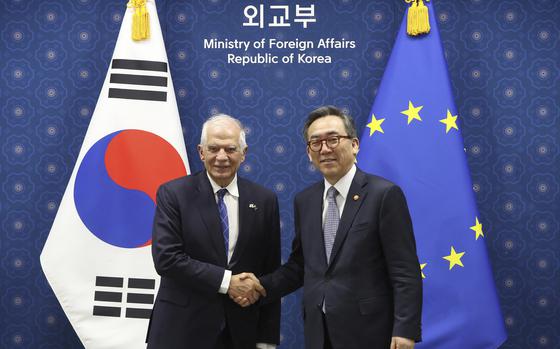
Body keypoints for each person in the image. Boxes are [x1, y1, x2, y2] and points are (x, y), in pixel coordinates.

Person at [238, 106, 422, 349]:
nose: (324, 149)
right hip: (319, 332)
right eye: (316, 143)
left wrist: (405, 331)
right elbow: (300, 265)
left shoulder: (384, 195)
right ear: (308, 152)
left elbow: (404, 271)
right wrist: (260, 286)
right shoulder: (305, 200)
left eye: (333, 139)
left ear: (354, 144)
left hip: (371, 333)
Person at [146, 114, 280, 349]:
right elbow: (166, 259)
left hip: (240, 333)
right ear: (201, 152)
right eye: (213, 148)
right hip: (180, 330)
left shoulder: (264, 200)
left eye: (230, 149)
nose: (221, 157)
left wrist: (266, 338)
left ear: (243, 153)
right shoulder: (174, 194)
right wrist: (228, 282)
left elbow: (269, 271)